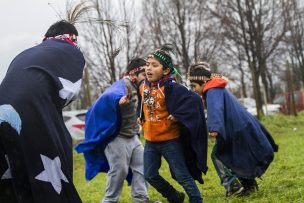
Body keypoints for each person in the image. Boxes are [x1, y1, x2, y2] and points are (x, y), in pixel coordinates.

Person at [0, 20, 85, 203]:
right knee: (54, 167)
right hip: (32, 107)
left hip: (2, 108)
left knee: (13, 170)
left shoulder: (24, 53)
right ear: (73, 39)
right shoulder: (71, 52)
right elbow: (69, 91)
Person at [188, 61, 279, 197]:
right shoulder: (216, 87)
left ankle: (232, 186)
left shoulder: (212, 90)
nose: (194, 89)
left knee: (218, 155)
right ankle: (249, 185)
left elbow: (216, 109)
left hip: (236, 129)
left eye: (194, 86)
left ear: (203, 82)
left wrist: (214, 127)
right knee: (237, 157)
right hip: (241, 127)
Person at [75, 58, 153, 203]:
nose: (146, 78)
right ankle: (109, 201)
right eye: (143, 75)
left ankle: (141, 199)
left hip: (133, 137)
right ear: (133, 75)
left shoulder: (142, 88)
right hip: (117, 138)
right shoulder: (123, 86)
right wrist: (119, 101)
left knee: (143, 165)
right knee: (120, 170)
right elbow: (108, 97)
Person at [137, 45, 208, 203]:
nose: (149, 68)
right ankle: (174, 197)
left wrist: (178, 115)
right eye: (147, 64)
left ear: (166, 71)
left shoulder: (171, 87)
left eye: (154, 65)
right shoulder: (142, 86)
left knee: (182, 176)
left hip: (170, 140)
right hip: (150, 140)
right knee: (149, 175)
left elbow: (194, 100)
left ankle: (196, 200)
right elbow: (140, 102)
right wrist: (139, 114)